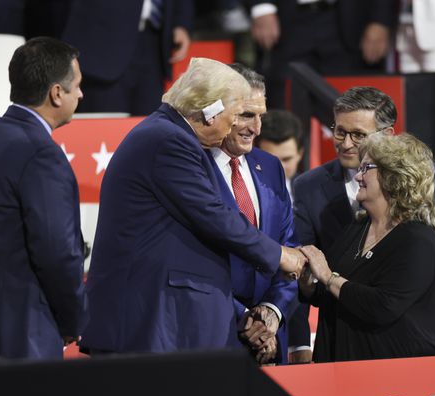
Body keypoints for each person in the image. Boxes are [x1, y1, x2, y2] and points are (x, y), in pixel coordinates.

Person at [80, 58, 305, 355]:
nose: (231, 130)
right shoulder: (169, 141)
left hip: (167, 323)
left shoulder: (164, 134)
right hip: (147, 322)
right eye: (236, 115)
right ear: (212, 113)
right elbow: (214, 216)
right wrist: (280, 256)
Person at [291, 86, 435, 358]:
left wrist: (411, 293)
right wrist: (299, 344)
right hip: (343, 340)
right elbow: (304, 263)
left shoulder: (424, 175)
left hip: (407, 342)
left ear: (387, 135)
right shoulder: (310, 186)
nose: (345, 143)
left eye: (358, 135)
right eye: (340, 131)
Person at [0, 37, 87, 359]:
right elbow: (58, 253)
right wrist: (73, 319)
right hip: (21, 336)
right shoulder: (42, 154)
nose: (82, 95)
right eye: (77, 87)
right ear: (57, 94)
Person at [299, 133, 435, 361]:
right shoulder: (357, 228)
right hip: (341, 369)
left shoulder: (418, 240)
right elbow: (330, 294)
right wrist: (309, 282)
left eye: (366, 168)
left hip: (396, 380)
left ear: (394, 176)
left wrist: (329, 277)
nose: (358, 176)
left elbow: (384, 306)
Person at [208, 64, 297, 364]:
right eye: (246, 115)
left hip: (271, 340)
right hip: (215, 335)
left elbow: (289, 248)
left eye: (261, 116)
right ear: (218, 110)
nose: (256, 129)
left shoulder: (270, 167)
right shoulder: (193, 168)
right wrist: (247, 321)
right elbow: (194, 262)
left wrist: (272, 312)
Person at [247, 0, 395, 108]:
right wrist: (261, 6)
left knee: (352, 107)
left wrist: (380, 19)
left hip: (349, 22)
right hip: (287, 21)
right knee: (284, 103)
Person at [61, 0, 194, 116]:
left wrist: (180, 21)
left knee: (149, 131)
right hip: (102, 41)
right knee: (105, 131)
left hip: (154, 43)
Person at [255, 109, 304, 203]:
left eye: (286, 159)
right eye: (270, 160)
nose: (279, 168)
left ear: (300, 154)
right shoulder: (241, 191)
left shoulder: (312, 191)